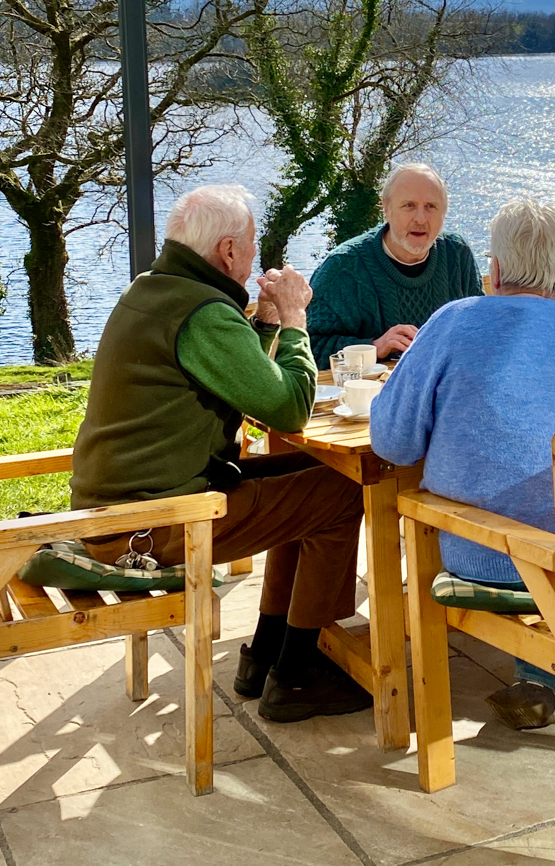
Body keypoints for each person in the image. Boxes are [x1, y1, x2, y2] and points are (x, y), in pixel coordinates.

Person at [68, 184, 372, 724]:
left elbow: (235, 376)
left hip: (122, 508)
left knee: (320, 472)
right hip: (152, 526)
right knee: (344, 490)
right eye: (252, 245)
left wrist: (266, 323)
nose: (255, 255)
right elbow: (288, 407)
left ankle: (267, 653)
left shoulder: (156, 288)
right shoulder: (201, 310)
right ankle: (297, 674)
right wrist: (298, 319)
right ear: (228, 251)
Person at [370, 198, 555, 730]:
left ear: (495, 270)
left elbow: (393, 444)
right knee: (554, 505)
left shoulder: (453, 322)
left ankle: (537, 672)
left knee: (512, 508)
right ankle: (543, 673)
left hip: (489, 558)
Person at [306, 163, 484, 363]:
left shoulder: (457, 255)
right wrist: (375, 347)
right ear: (386, 208)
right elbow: (309, 349)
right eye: (409, 206)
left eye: (430, 207)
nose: (420, 218)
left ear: (444, 212)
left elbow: (480, 330)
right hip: (369, 391)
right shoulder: (343, 267)